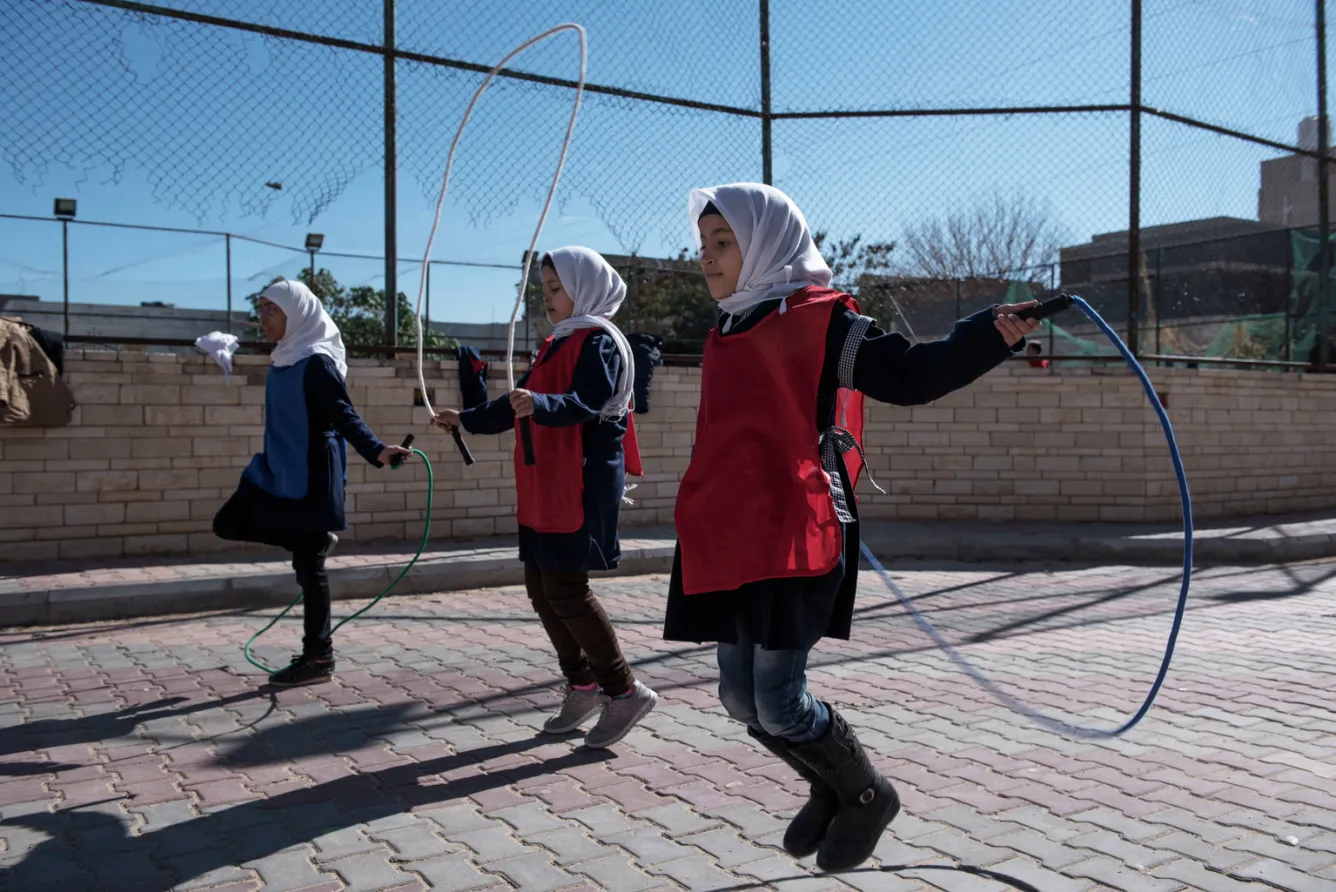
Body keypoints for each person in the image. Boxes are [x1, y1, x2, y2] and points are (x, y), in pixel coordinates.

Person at [663, 183, 1040, 872]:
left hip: (790, 536)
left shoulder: (823, 320)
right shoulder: (727, 325)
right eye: (704, 246)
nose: (708, 259)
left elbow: (909, 374)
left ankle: (866, 795)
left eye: (724, 243)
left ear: (769, 242)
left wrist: (984, 337)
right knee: (737, 697)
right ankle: (828, 783)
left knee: (777, 703)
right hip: (723, 537)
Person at [433, 247, 657, 749]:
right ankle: (581, 685)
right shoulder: (558, 342)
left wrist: (541, 403)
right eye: (545, 290)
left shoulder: (598, 341)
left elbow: (585, 403)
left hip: (575, 484)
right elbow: (517, 406)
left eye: (557, 288)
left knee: (567, 592)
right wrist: (464, 418)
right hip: (542, 486)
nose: (548, 299)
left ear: (587, 287)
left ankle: (623, 691)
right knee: (541, 589)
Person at [213, 280, 409, 687]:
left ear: (296, 313)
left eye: (271, 309)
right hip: (276, 466)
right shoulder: (283, 358)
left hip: (311, 473)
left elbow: (343, 415)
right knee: (228, 522)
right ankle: (311, 544)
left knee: (308, 568)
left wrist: (377, 450)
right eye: (261, 309)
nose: (262, 317)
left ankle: (318, 657)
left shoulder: (316, 361)